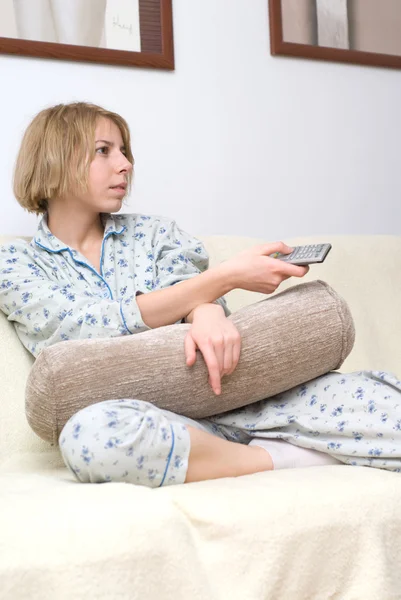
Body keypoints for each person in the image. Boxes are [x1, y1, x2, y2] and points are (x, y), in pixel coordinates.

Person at [1, 102, 400, 489]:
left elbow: (186, 288)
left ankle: (257, 445)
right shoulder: (16, 262)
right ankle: (279, 458)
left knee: (386, 405)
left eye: (124, 151)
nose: (125, 164)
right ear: (52, 161)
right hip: (150, 417)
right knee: (88, 438)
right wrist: (224, 279)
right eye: (104, 151)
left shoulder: (155, 233)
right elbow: (80, 330)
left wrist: (207, 311)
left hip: (240, 398)